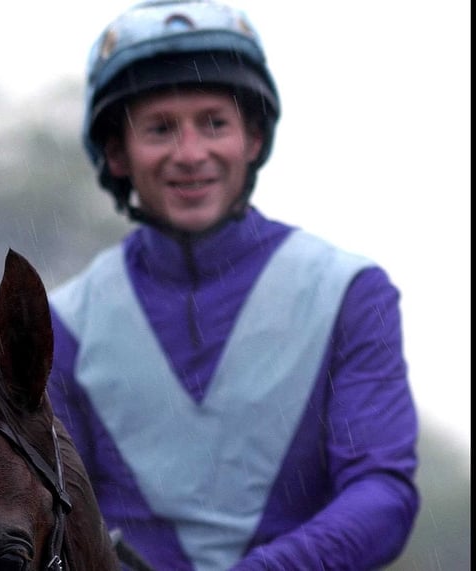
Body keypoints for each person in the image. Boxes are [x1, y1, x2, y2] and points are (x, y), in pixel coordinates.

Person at [45, 1, 420, 569]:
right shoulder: (64, 323)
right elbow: (47, 508)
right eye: (160, 128)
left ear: (252, 138)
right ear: (118, 153)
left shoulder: (349, 293)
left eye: (214, 122)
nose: (190, 153)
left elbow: (382, 492)